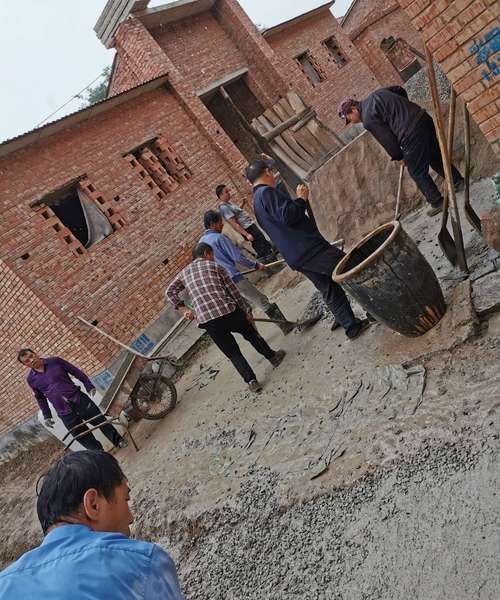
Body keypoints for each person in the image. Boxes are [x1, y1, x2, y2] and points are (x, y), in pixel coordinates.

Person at [0, 450, 184, 599]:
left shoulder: (4, 585)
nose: (131, 518)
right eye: (125, 499)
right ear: (93, 504)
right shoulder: (140, 562)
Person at [247, 159, 369, 340]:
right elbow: (288, 216)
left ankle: (351, 326)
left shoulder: (257, 203)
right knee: (352, 269)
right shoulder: (267, 193)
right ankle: (376, 309)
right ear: (266, 173)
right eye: (271, 172)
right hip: (310, 249)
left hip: (297, 256)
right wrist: (301, 199)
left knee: (329, 287)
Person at [166, 243, 286, 392]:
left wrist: (182, 308)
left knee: (232, 353)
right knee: (251, 334)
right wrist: (246, 311)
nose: (213, 258)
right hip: (228, 311)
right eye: (212, 255)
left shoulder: (183, 274)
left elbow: (169, 292)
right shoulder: (216, 267)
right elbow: (233, 292)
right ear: (206, 253)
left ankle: (251, 381)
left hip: (208, 321)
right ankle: (273, 358)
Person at [338, 87, 464, 216]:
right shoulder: (376, 94)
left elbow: (387, 139)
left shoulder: (368, 119)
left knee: (417, 171)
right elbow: (400, 90)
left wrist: (399, 156)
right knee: (434, 156)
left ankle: (437, 202)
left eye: (349, 118)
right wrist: (404, 110)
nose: (352, 122)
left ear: (353, 109)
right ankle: (458, 181)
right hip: (423, 118)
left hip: (410, 132)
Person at [200, 210, 293, 334]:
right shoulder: (219, 238)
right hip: (234, 279)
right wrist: (256, 265)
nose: (222, 225)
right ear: (212, 224)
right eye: (220, 223)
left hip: (220, 285)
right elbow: (237, 257)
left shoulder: (201, 243)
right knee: (261, 300)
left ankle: (257, 339)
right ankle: (285, 326)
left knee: (244, 310)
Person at [18, 349, 127, 450]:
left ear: (36, 353)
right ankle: (101, 455)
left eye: (31, 356)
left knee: (100, 421)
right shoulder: (31, 380)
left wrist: (88, 385)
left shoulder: (55, 361)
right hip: (64, 411)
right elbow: (40, 398)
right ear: (25, 365)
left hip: (79, 400)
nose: (31, 360)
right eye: (27, 361)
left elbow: (75, 371)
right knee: (82, 436)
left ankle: (118, 441)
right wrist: (47, 416)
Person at [216, 183, 276, 262]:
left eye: (228, 191)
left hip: (249, 225)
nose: (229, 193)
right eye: (226, 192)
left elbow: (236, 214)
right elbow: (234, 223)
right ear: (221, 195)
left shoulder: (228, 203)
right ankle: (273, 263)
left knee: (262, 242)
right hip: (247, 228)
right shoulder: (224, 207)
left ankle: (270, 261)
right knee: (261, 245)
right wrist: (246, 234)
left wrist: (243, 204)